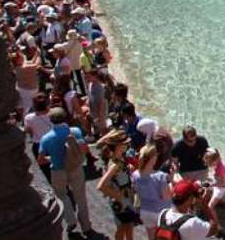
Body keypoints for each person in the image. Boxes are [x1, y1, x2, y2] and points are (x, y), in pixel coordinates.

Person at [37, 106, 93, 236]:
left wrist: (52, 158)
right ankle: (86, 226)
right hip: (76, 168)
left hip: (58, 171)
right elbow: (84, 148)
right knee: (81, 198)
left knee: (62, 195)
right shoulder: (75, 131)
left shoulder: (46, 138)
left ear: (50, 120)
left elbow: (40, 160)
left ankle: (71, 221)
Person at [97, 129, 139, 240]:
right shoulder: (115, 165)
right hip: (121, 202)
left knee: (128, 226)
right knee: (122, 227)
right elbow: (101, 186)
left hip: (126, 198)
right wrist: (119, 197)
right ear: (118, 146)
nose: (127, 144)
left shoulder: (120, 159)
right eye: (125, 143)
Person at [132, 144, 172, 239]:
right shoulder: (160, 176)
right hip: (161, 213)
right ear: (153, 158)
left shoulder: (135, 174)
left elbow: (136, 191)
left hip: (145, 211)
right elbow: (165, 197)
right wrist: (171, 186)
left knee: (151, 237)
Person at [24, 92, 53, 182]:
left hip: (39, 146)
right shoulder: (54, 113)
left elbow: (30, 132)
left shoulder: (28, 118)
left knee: (47, 171)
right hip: (55, 141)